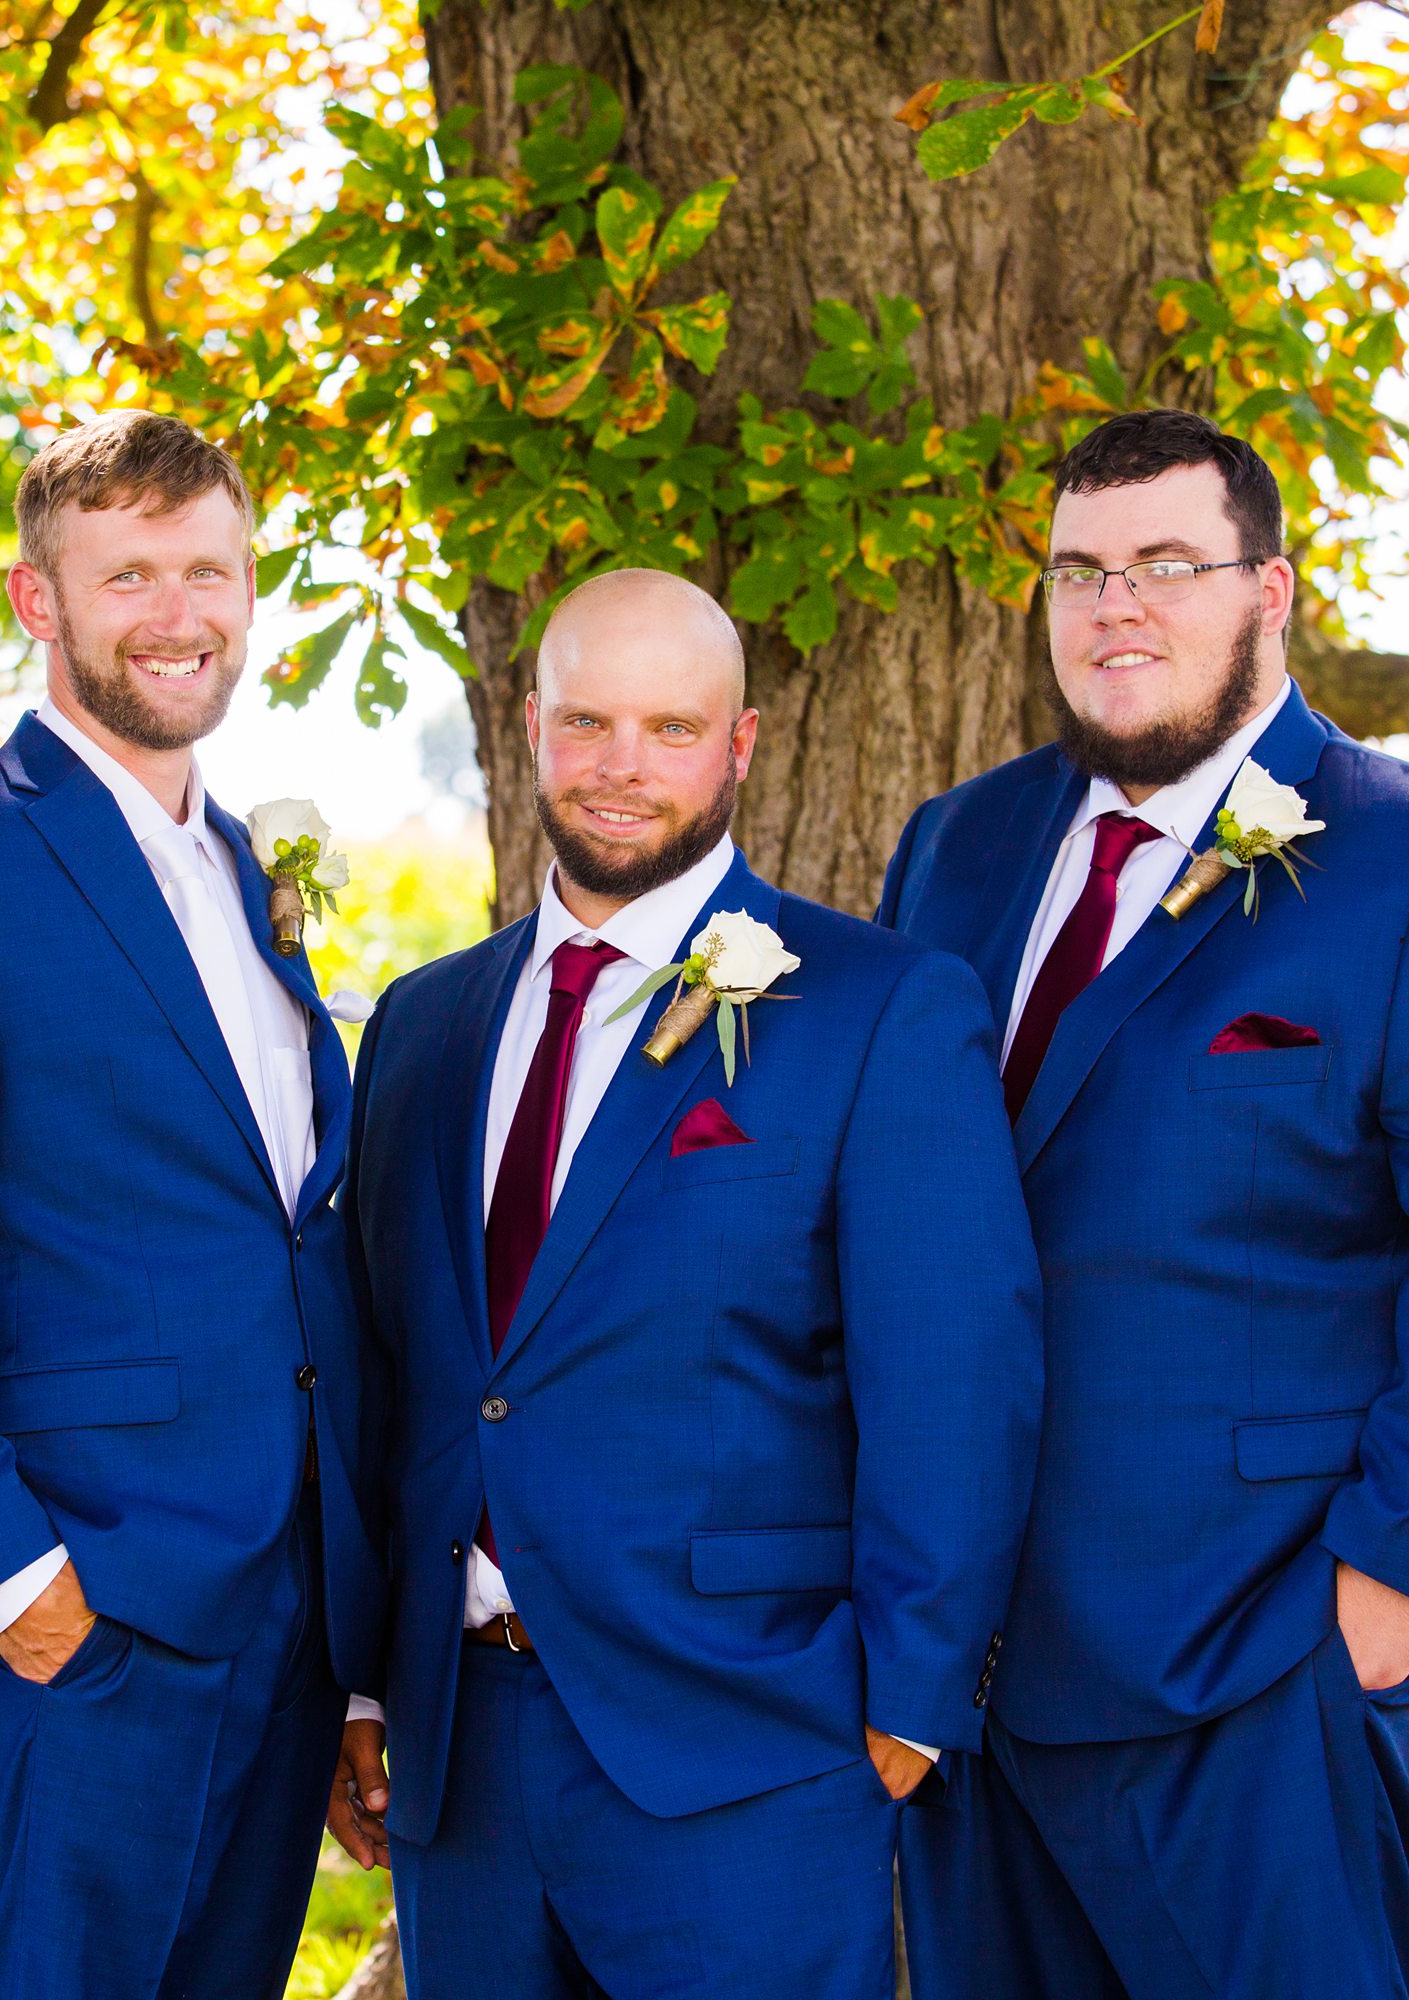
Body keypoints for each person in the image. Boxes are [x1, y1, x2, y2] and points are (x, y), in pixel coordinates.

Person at [880, 408, 1409, 1998]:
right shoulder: (961, 848)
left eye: (1167, 564)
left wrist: (1394, 1596)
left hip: (1265, 1655)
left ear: (1270, 590)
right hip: (971, 1669)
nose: (1115, 607)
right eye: (1079, 571)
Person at [334, 568, 1040, 1998]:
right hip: (461, 1745)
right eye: (587, 720)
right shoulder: (422, 1025)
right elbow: (389, 1374)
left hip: (752, 1739)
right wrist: (364, 1672)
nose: (620, 767)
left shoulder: (875, 1008)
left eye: (670, 727)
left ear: (742, 744)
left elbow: (958, 1370)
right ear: (528, 726)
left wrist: (912, 1696)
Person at [0, 410, 386, 1999]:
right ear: (37, 600)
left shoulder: (249, 872)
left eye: (211, 570)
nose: (179, 614)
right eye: (130, 575)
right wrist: (11, 1583)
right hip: (89, 1613)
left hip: (290, 1610)